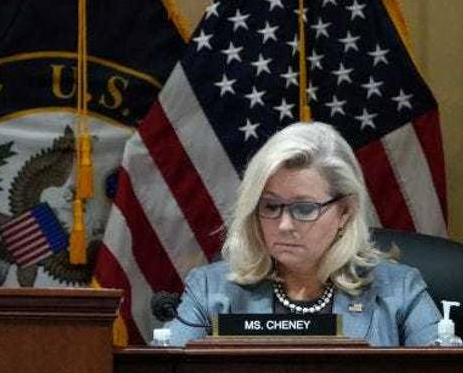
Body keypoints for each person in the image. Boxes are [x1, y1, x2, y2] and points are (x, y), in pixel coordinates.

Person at [167, 121, 441, 346]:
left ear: (345, 211)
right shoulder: (210, 290)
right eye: (271, 206)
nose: (285, 224)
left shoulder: (400, 291)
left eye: (305, 209)